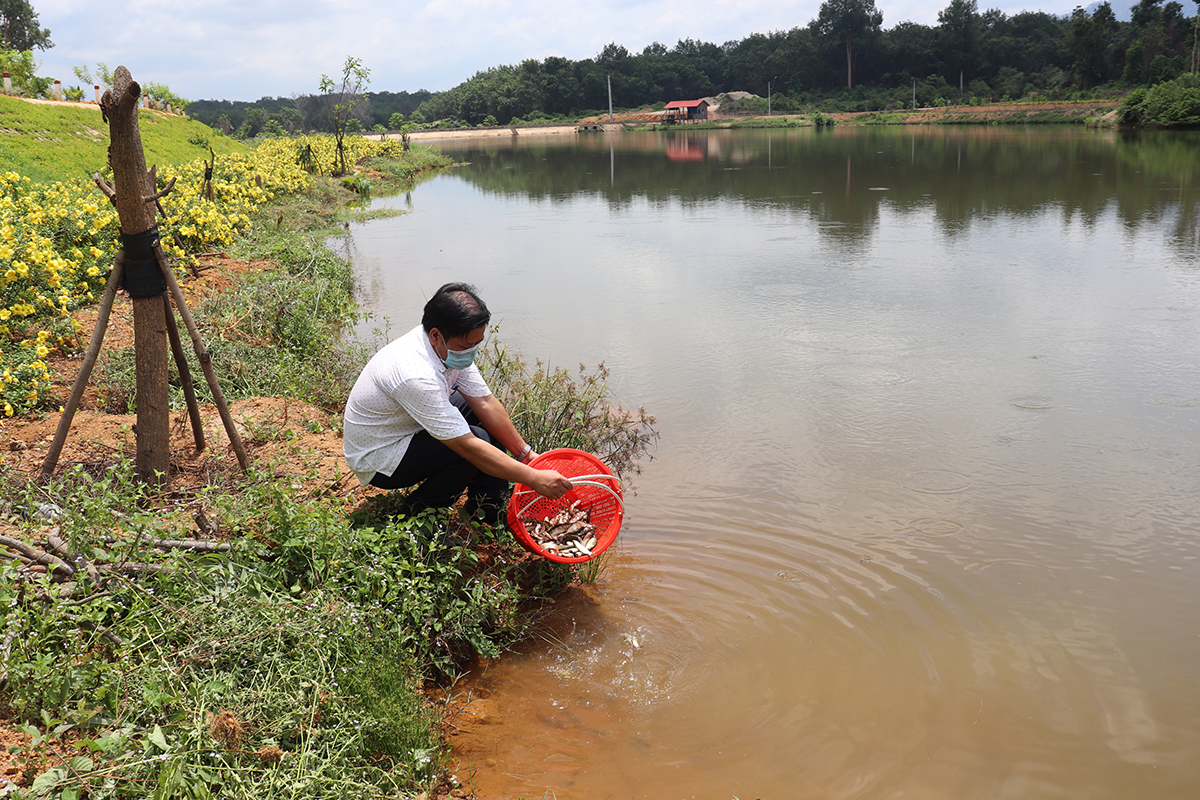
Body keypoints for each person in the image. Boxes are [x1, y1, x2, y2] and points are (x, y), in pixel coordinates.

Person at [343, 282, 573, 524]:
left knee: (474, 410)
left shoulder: (445, 345)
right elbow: (466, 446)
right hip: (380, 458)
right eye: (466, 346)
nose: (471, 352)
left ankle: (489, 508)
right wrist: (533, 478)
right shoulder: (415, 374)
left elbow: (484, 401)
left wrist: (526, 455)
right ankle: (416, 517)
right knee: (473, 446)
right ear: (436, 335)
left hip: (406, 428)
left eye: (476, 344)